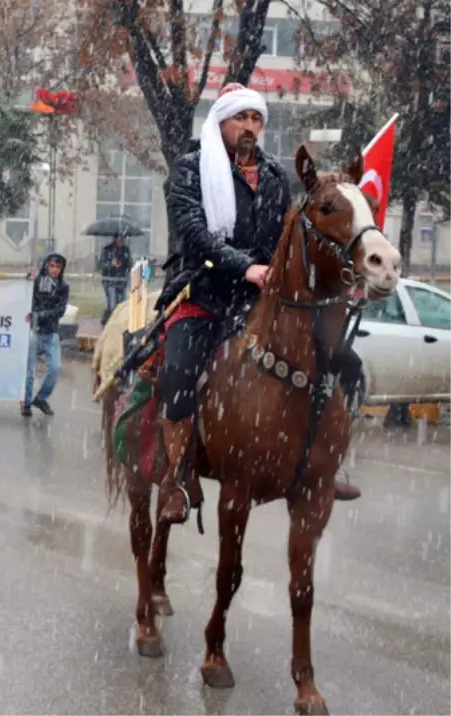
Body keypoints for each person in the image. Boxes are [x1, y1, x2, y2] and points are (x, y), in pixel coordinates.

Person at [159, 83, 360, 525]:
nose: (249, 127)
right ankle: (176, 474)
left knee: (341, 360)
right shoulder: (191, 169)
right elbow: (195, 234)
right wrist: (243, 266)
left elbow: (292, 238)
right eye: (241, 118)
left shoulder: (275, 174)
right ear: (221, 122)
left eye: (256, 119)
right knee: (178, 368)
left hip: (262, 299)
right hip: (206, 291)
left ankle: (325, 462)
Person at [22, 253, 69, 417]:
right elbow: (27, 298)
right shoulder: (36, 282)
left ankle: (41, 398)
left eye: (58, 267)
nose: (54, 270)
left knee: (55, 368)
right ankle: (26, 403)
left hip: (51, 332)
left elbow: (60, 310)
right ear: (46, 266)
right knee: (29, 371)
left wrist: (41, 314)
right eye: (52, 266)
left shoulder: (63, 286)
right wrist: (26, 281)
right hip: (34, 330)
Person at [99, 235, 132, 325]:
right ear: (115, 238)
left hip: (122, 281)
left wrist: (124, 264)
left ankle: (117, 321)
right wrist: (111, 265)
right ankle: (107, 320)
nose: (121, 240)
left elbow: (129, 263)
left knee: (121, 304)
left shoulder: (126, 249)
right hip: (109, 281)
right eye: (119, 238)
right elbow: (101, 265)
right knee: (112, 303)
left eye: (123, 238)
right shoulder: (107, 249)